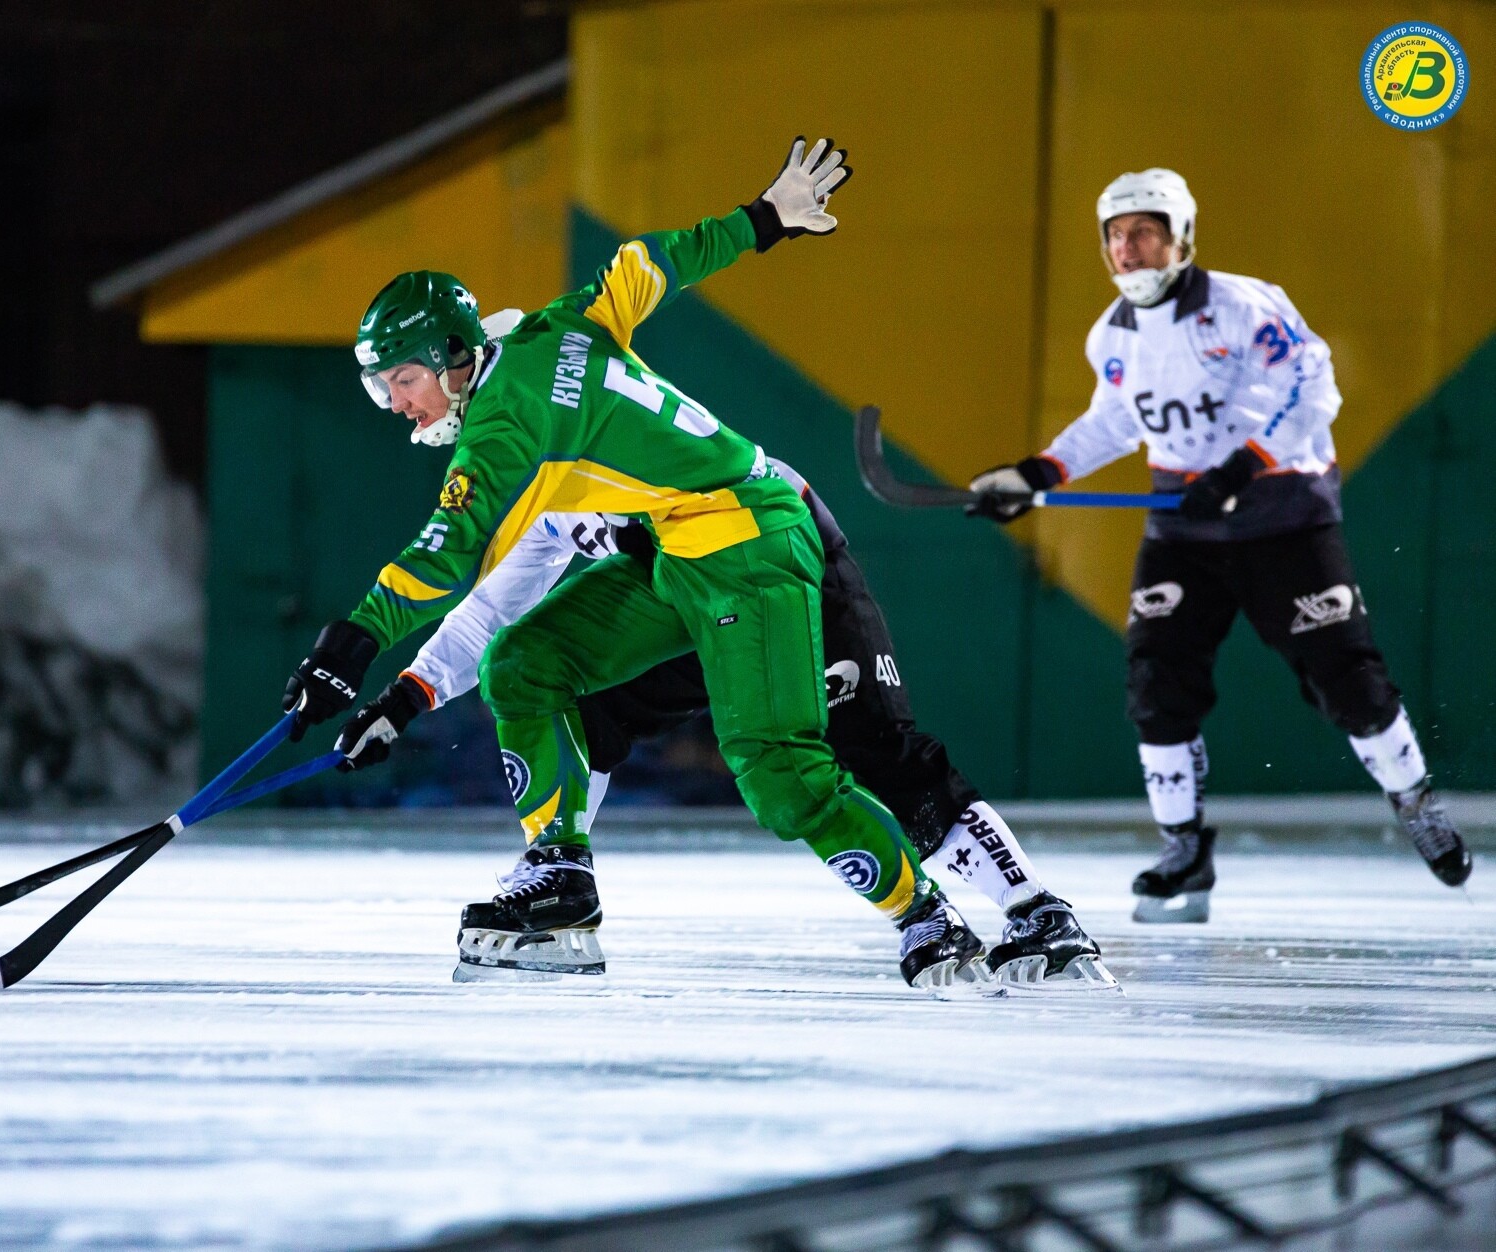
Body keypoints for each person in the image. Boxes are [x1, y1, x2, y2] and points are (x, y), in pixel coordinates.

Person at [282, 139, 995, 993]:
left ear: (449, 356)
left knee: (778, 773)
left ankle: (928, 919)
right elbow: (649, 262)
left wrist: (350, 645)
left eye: (400, 382)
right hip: (678, 552)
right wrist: (763, 220)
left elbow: (445, 558)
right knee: (524, 663)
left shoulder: (503, 430)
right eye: (381, 392)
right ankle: (559, 873)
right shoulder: (562, 325)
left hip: (748, 541)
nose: (399, 405)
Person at [335, 444, 1116, 990]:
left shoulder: (602, 421)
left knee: (871, 747)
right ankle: (557, 874)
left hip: (776, 559)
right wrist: (406, 697)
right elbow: (490, 615)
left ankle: (1033, 909)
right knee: (565, 693)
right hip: (672, 591)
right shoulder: (532, 483)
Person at [967, 168, 1467, 922]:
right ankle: (1184, 849)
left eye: (1143, 232)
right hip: (1183, 528)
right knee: (1155, 687)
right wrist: (1037, 472)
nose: (1126, 248)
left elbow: (1314, 387)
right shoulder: (1113, 334)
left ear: (1181, 237)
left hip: (1285, 519)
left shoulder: (1243, 305)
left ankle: (1415, 800)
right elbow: (1113, 420)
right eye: (1114, 235)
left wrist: (1241, 467)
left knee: (1351, 684)